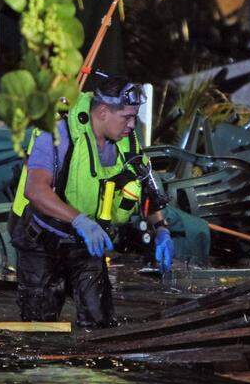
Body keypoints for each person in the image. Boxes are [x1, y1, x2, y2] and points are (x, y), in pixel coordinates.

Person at [9, 73, 175, 328]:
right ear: (103, 112)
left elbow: (145, 186)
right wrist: (80, 220)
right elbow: (35, 190)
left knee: (100, 324)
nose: (132, 124)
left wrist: (161, 228)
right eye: (127, 117)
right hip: (43, 240)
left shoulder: (126, 141)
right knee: (40, 329)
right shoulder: (56, 133)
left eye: (134, 116)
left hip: (87, 243)